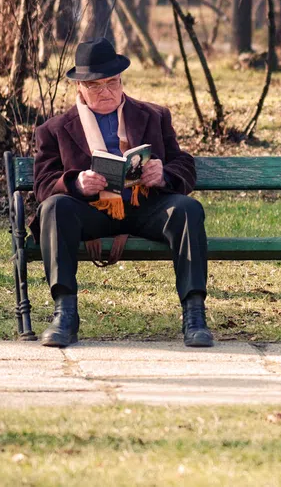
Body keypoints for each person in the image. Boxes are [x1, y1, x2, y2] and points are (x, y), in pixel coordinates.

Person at [30, 38, 213, 348]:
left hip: (145, 209)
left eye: (112, 82)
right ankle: (65, 315)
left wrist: (163, 173)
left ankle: (195, 316)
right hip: (91, 213)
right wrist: (76, 183)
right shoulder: (55, 129)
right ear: (80, 89)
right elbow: (43, 183)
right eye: (96, 86)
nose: (107, 92)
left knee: (187, 210)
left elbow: (183, 163)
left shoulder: (153, 116)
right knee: (54, 208)